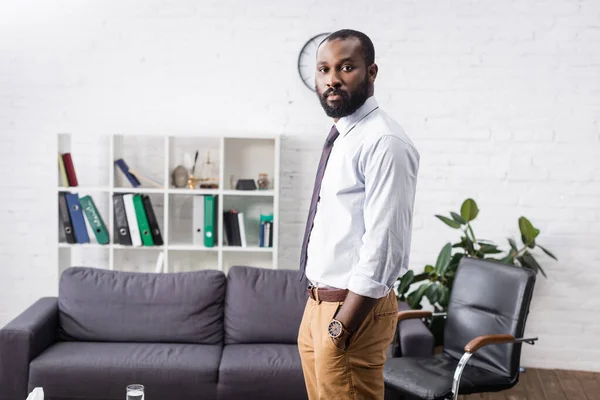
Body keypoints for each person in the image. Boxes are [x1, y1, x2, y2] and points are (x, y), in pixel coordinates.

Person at [297, 29, 420, 400]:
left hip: (351, 311)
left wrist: (342, 327)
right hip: (319, 305)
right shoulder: (344, 136)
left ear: (371, 72)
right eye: (324, 69)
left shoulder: (384, 142)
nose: (332, 78)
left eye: (346, 67)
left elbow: (384, 245)